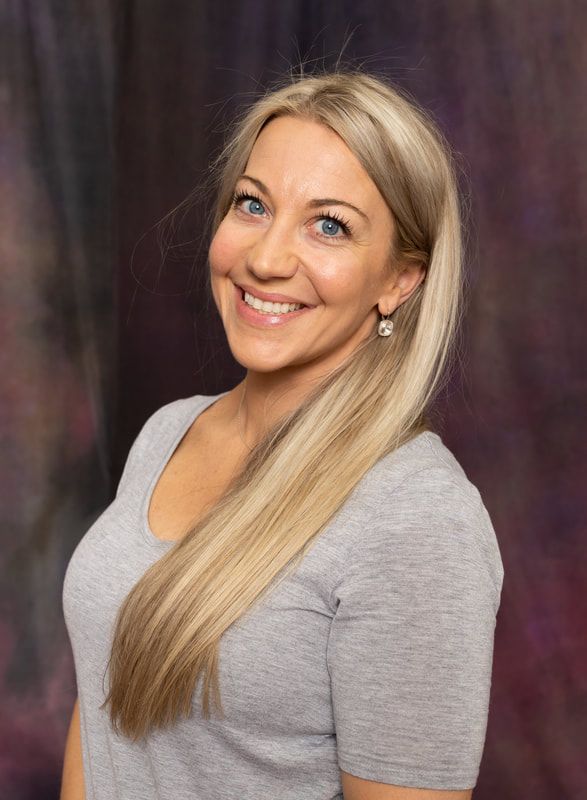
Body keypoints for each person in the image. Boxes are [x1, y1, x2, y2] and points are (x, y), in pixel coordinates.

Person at [60, 68, 505, 800]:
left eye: (328, 225)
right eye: (252, 204)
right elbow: (101, 697)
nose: (265, 259)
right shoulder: (170, 431)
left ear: (400, 280)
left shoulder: (416, 519)